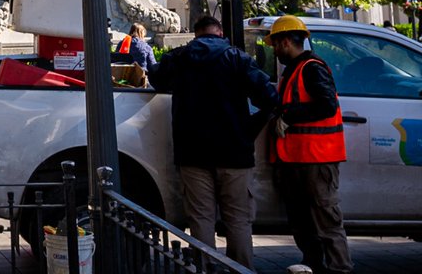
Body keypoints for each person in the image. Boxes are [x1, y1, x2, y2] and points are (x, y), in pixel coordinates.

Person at [148, 16, 277, 268]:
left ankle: (204, 268)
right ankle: (241, 269)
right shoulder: (237, 58)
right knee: (238, 219)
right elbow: (270, 97)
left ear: (196, 34)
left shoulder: (180, 57)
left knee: (201, 219)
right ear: (220, 32)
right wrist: (250, 127)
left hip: (192, 153)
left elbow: (156, 79)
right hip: (235, 153)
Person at [267, 15, 353, 274]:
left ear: (284, 42)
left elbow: (327, 105)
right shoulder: (293, 70)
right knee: (302, 220)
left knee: (325, 218)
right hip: (296, 159)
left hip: (317, 158)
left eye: (274, 45)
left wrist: (289, 116)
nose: (274, 50)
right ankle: (314, 264)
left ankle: (340, 268)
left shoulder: (312, 67)